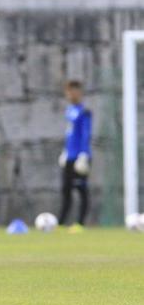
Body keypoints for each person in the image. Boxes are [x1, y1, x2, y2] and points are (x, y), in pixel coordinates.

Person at [57, 80, 92, 233]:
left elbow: (85, 135)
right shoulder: (69, 110)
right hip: (69, 157)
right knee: (65, 189)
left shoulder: (84, 112)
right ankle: (61, 222)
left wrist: (83, 155)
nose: (70, 94)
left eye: (73, 91)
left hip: (80, 157)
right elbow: (70, 135)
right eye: (68, 91)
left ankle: (80, 223)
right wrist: (65, 152)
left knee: (81, 189)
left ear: (79, 92)